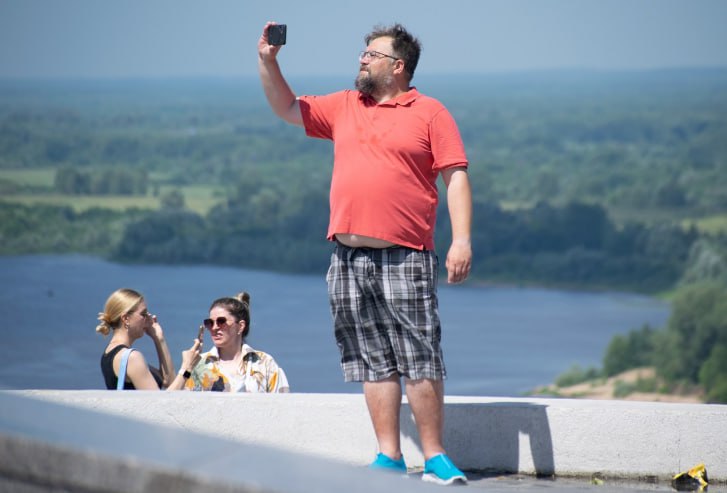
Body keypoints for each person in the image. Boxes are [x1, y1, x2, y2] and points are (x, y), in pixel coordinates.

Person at [257, 22, 472, 485]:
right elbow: (287, 107)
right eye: (362, 52)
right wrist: (268, 61)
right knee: (372, 359)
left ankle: (434, 456)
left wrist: (461, 239)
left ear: (398, 66)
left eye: (372, 54)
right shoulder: (346, 105)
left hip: (406, 254)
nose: (361, 59)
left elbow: (455, 177)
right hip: (348, 257)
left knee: (420, 358)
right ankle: (389, 457)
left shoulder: (431, 112)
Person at [97, 288, 201, 390]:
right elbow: (160, 402)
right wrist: (187, 367)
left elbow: (169, 381)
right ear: (125, 318)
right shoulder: (131, 358)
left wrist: (159, 338)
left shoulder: (109, 353)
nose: (148, 318)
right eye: (143, 314)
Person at [185, 292, 290, 393]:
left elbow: (283, 404)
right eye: (210, 323)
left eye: (221, 321)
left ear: (240, 326)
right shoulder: (198, 364)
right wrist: (186, 368)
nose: (215, 327)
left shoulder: (265, 363)